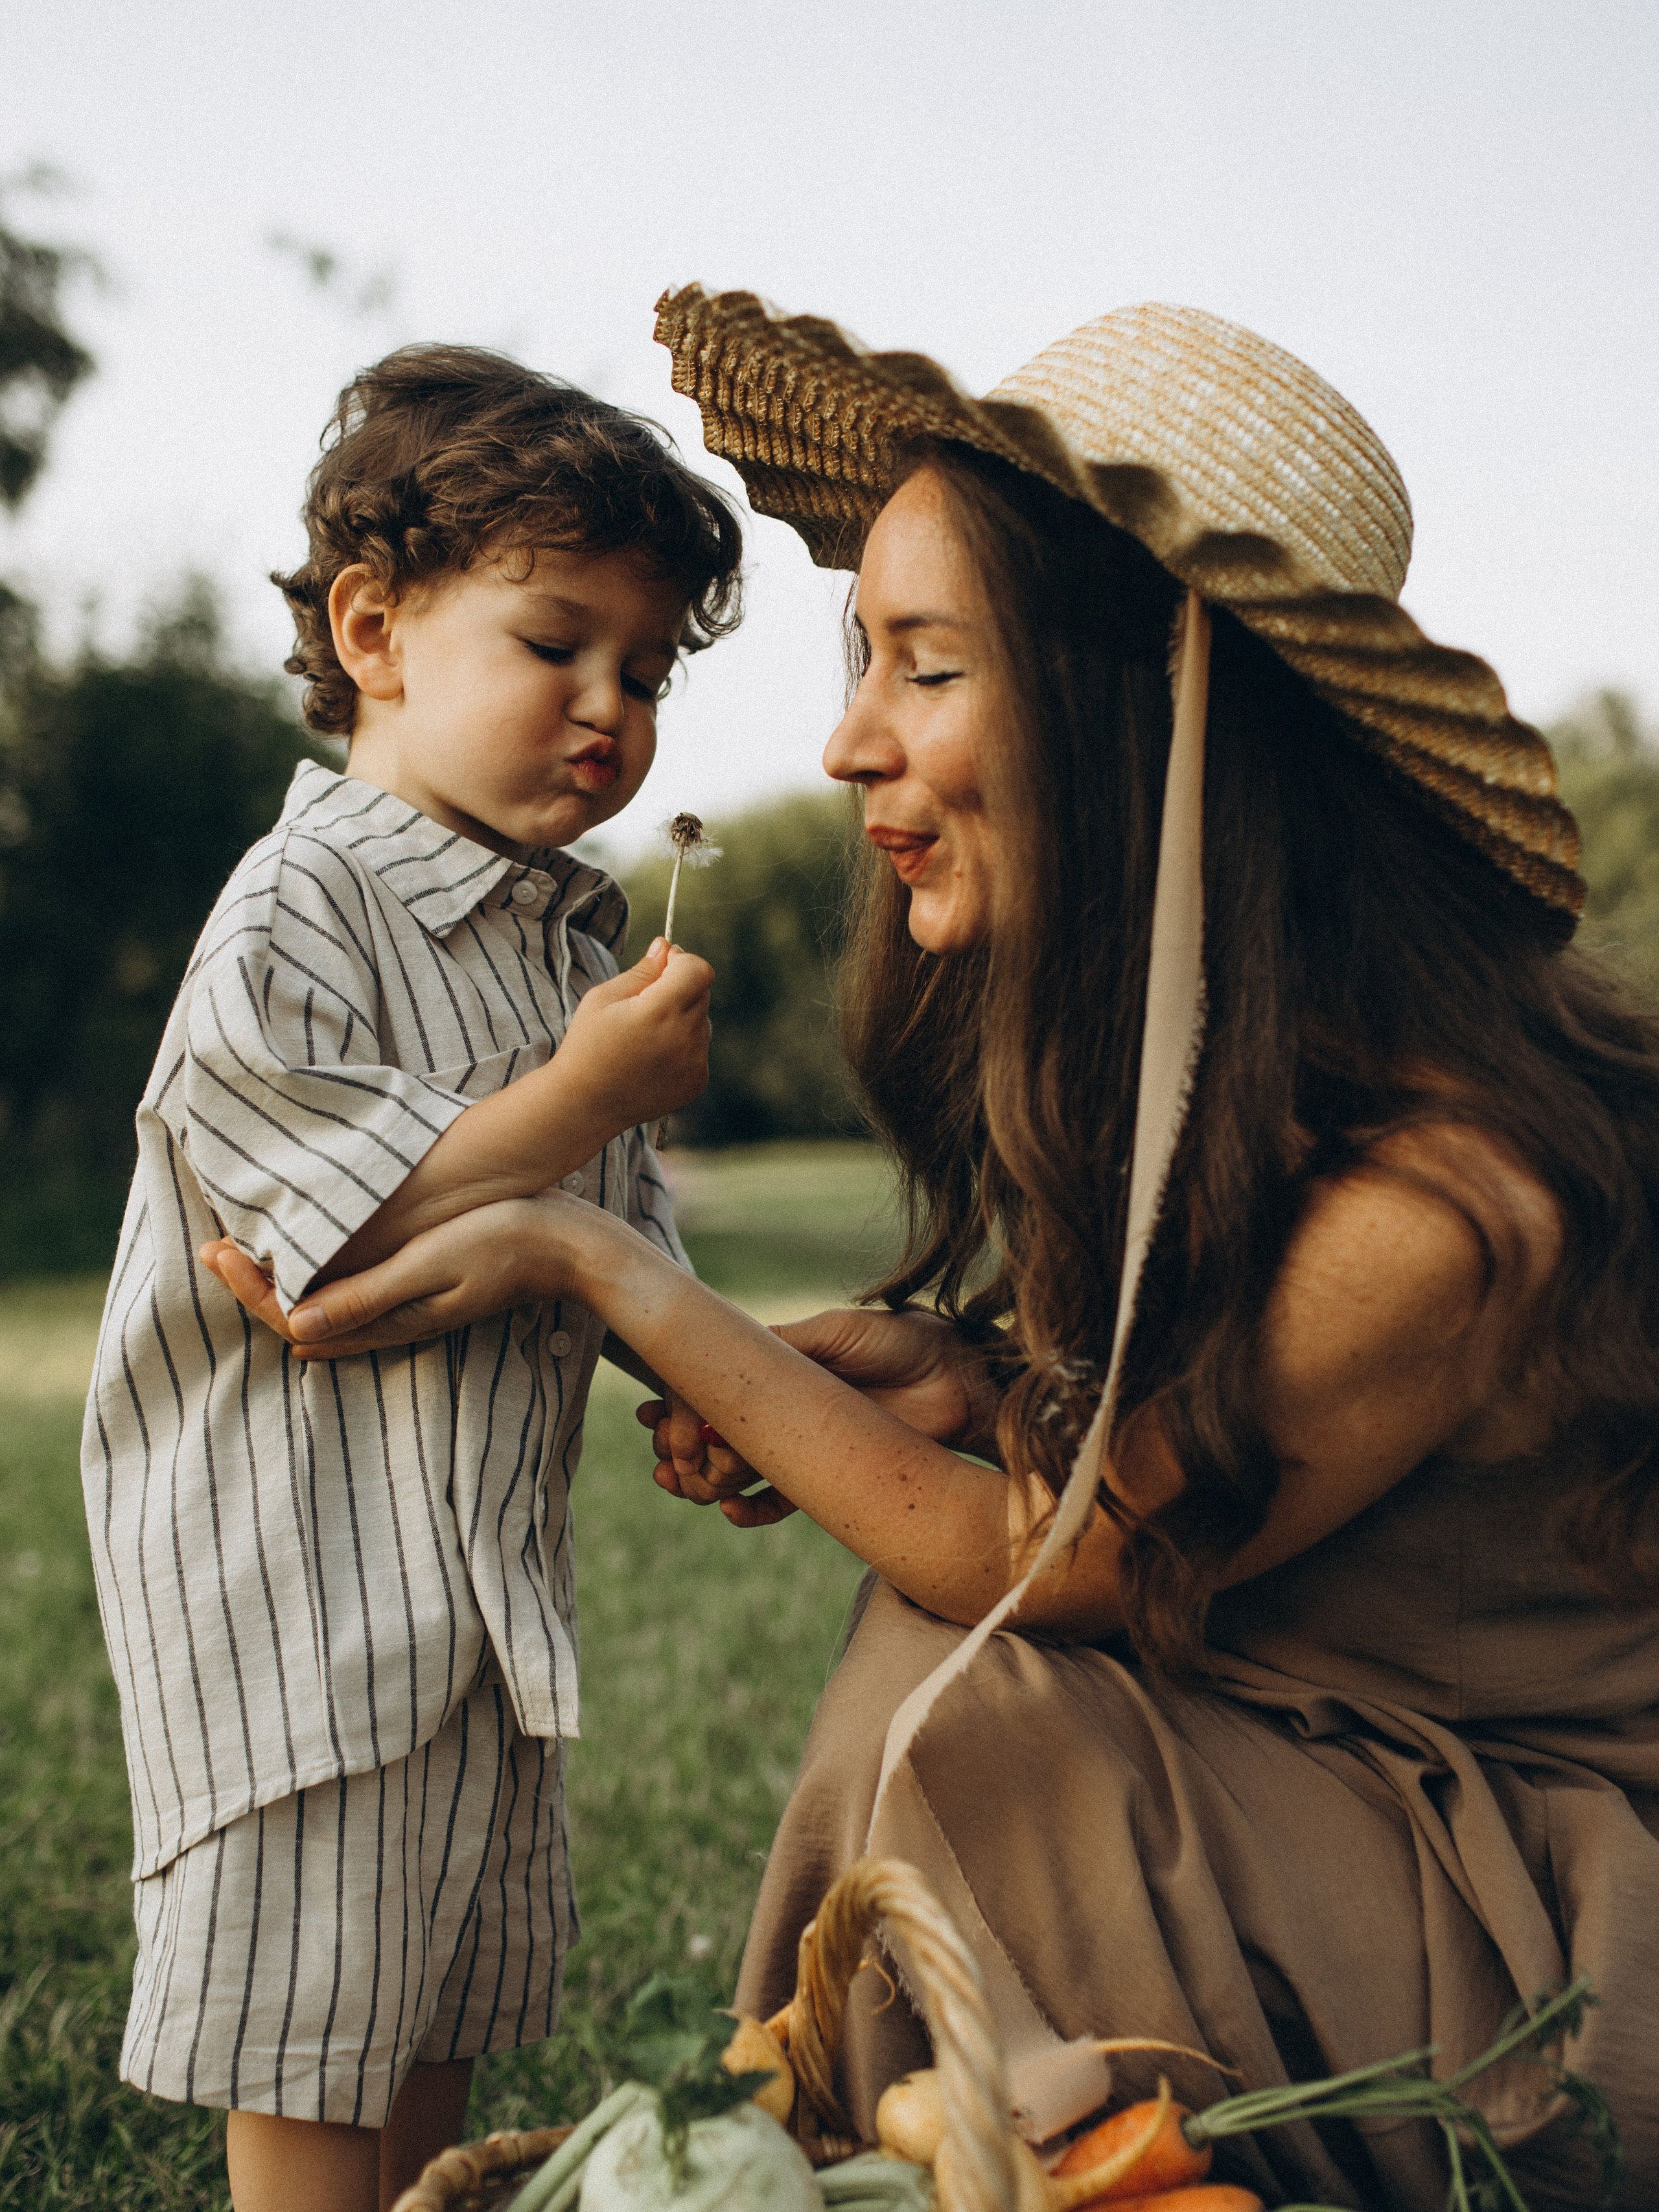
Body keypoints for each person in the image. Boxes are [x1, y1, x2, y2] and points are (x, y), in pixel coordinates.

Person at [203, 297, 1659, 2211]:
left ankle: (907, 2147)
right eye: (859, 655)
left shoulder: (1449, 1196)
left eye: (927, 666)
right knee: (946, 1661)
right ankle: (891, 2143)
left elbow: (1041, 1560)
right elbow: (1198, 1466)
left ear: (1138, 721)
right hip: (1365, 1770)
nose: (847, 734)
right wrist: (979, 1383)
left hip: (1557, 1922)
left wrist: (609, 1268)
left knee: (979, 1696)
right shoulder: (1221, 1077)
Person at [82, 343, 740, 2212]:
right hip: (292, 1596)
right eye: (558, 645)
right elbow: (346, 1225)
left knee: (436, 1988)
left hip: (473, 1604)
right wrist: (589, 1084)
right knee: (311, 2012)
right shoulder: (294, 914)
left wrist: (694, 1376)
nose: (610, 707)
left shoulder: (558, 945)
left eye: (649, 670)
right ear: (375, 630)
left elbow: (601, 1231)